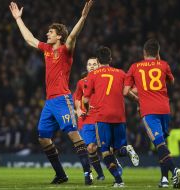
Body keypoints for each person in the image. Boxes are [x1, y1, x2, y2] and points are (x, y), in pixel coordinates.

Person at [9, 0, 94, 185]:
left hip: (63, 99)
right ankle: (61, 174)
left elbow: (73, 36)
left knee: (72, 133)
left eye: (51, 32)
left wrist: (83, 17)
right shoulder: (47, 49)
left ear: (59, 37)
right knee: (43, 137)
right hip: (49, 102)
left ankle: (88, 173)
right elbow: (29, 39)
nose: (47, 34)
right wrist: (18, 19)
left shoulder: (65, 50)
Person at [124, 39, 180, 188]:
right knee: (160, 144)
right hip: (165, 109)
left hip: (149, 111)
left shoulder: (135, 67)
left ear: (144, 52)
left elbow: (125, 92)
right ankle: (164, 179)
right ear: (157, 53)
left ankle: (175, 170)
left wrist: (137, 100)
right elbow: (172, 81)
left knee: (160, 144)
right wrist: (159, 60)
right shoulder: (164, 64)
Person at [84, 47, 139, 187]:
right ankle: (126, 149)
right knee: (117, 150)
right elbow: (128, 91)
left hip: (103, 116)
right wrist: (138, 100)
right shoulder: (121, 73)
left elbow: (86, 98)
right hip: (119, 115)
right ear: (110, 59)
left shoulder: (93, 74)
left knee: (105, 151)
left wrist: (85, 108)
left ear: (97, 60)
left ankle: (119, 181)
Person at [74, 57, 105, 180]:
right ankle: (100, 174)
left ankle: (116, 163)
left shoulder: (105, 79)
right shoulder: (81, 82)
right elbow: (77, 98)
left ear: (99, 65)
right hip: (87, 119)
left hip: (103, 116)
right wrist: (78, 109)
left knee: (107, 147)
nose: (91, 66)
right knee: (90, 148)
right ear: (86, 67)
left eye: (94, 64)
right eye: (89, 64)